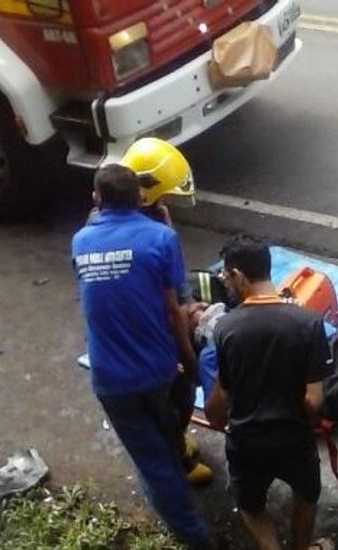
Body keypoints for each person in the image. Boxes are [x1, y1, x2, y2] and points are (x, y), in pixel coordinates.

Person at [72, 163, 219, 550]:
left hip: (111, 378)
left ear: (96, 200)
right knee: (173, 417)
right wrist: (187, 357)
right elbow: (175, 311)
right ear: (141, 199)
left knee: (152, 459)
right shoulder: (160, 238)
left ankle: (187, 515)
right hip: (159, 368)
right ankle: (199, 542)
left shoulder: (81, 241)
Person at [204, 236, 335, 550]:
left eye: (227, 279)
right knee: (306, 495)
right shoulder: (309, 323)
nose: (227, 286)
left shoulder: (226, 329)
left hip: (247, 439)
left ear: (237, 275)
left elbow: (222, 398)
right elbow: (313, 399)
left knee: (250, 504)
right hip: (293, 437)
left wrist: (218, 419)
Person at [119, 137, 213, 485]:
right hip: (149, 336)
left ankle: (173, 437)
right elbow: (167, 303)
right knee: (173, 396)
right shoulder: (145, 235)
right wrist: (187, 355)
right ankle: (175, 459)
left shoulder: (150, 219)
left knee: (178, 396)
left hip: (155, 323)